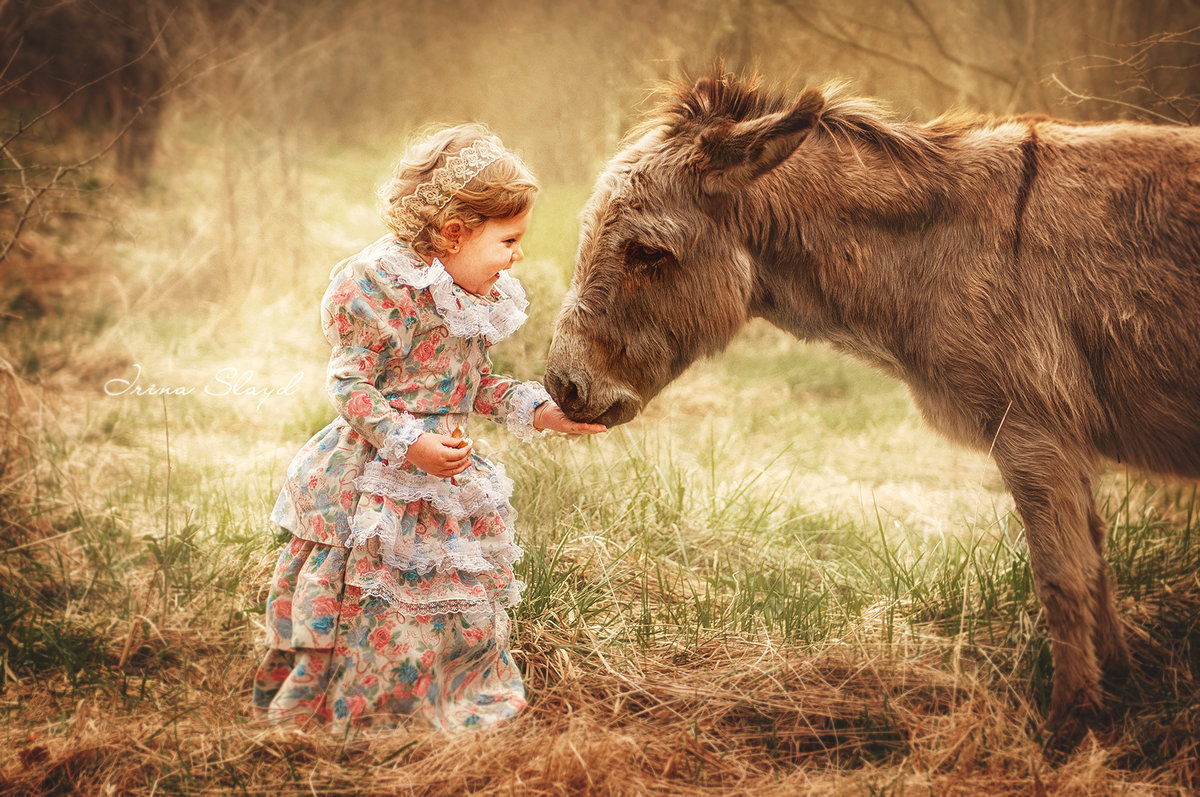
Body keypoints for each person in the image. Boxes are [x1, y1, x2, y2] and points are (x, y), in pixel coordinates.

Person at [253, 124, 605, 734]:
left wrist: (540, 409)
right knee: (374, 594)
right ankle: (361, 705)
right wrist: (408, 442)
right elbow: (348, 386)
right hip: (375, 476)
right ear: (453, 235)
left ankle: (439, 694)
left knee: (445, 598)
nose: (518, 254)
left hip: (443, 476)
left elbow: (470, 385)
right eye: (509, 239)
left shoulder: (466, 294)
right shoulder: (377, 287)